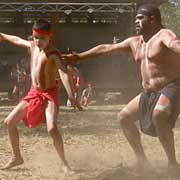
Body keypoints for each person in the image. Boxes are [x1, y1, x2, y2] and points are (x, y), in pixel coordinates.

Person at [63, 4, 180, 172]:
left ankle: (172, 164)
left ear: (153, 19)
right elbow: (107, 48)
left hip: (173, 86)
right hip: (149, 92)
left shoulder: (164, 35)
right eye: (136, 19)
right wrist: (80, 57)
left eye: (140, 18)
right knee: (123, 117)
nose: (136, 22)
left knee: (159, 114)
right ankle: (142, 161)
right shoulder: (135, 42)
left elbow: (175, 44)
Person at [0, 19, 80, 174]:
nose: (38, 41)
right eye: (36, 37)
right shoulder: (32, 46)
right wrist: (3, 35)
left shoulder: (53, 53)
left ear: (50, 37)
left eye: (42, 38)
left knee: (52, 128)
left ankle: (65, 164)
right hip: (33, 93)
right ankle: (17, 157)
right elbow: (17, 40)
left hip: (49, 94)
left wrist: (71, 94)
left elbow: (63, 72)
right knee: (9, 122)